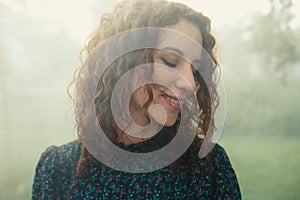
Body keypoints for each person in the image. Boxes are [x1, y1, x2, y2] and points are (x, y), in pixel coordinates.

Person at [32, 0, 241, 199]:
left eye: (195, 70)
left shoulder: (208, 168)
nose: (190, 83)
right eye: (170, 61)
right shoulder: (58, 168)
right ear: (124, 62)